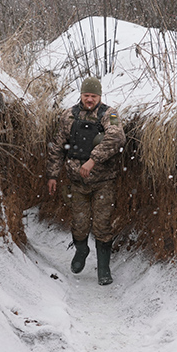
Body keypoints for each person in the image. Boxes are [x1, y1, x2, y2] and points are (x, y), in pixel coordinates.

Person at [47, 77, 126, 285]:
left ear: (100, 96)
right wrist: (53, 175)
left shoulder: (110, 114)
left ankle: (104, 269)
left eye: (93, 96)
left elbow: (117, 137)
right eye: (86, 95)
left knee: (102, 225)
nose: (89, 99)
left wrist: (93, 160)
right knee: (79, 224)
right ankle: (81, 250)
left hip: (104, 181)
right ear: (81, 95)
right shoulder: (69, 115)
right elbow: (57, 146)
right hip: (76, 183)